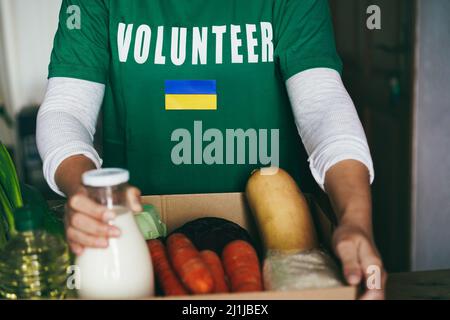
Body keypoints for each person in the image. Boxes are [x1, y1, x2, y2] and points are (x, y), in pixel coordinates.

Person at [37, 0, 386, 299]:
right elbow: (65, 110)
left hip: (274, 243)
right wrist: (86, 189)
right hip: (140, 240)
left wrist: (355, 220)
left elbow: (323, 103)